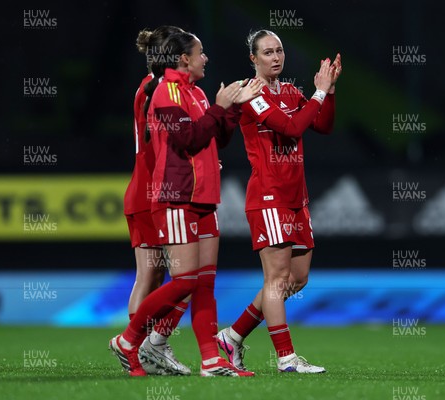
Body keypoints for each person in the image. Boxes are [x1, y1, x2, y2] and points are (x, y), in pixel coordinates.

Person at [110, 29, 263, 377]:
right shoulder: (165, 92)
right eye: (201, 52)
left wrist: (231, 110)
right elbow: (189, 138)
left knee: (204, 283)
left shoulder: (195, 92)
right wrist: (219, 108)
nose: (206, 58)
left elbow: (218, 138)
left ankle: (211, 360)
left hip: (204, 198)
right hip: (176, 197)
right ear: (184, 59)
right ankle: (130, 339)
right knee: (182, 282)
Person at [216, 29, 342, 373]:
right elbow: (290, 128)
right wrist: (317, 92)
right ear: (253, 59)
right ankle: (286, 358)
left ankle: (232, 336)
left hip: (296, 199)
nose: (276, 57)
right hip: (268, 196)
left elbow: (323, 125)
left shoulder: (290, 91)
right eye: (268, 52)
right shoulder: (249, 93)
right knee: (276, 279)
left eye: (280, 51)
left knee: (297, 280)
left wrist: (327, 91)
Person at [124, 25, 191, 376]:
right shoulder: (156, 89)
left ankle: (145, 348)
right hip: (151, 191)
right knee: (154, 275)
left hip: (150, 190)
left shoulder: (152, 87)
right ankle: (134, 349)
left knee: (159, 275)